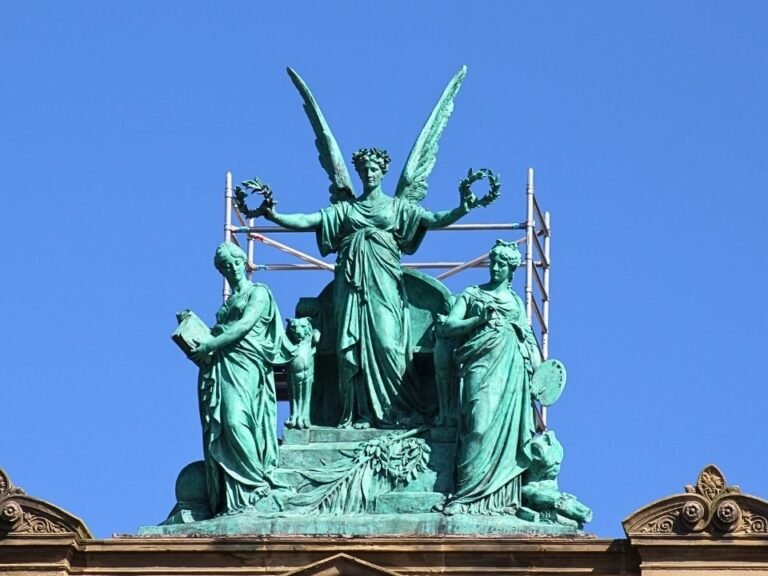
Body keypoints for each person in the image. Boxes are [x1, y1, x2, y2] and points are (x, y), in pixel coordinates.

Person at [263, 148, 478, 429]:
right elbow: (307, 220)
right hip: (351, 285)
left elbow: (434, 219)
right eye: (364, 170)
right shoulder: (346, 210)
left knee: (388, 344)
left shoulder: (397, 207)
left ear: (383, 172)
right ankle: (359, 414)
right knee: (350, 351)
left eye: (374, 169)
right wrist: (274, 215)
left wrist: (462, 208)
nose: (369, 174)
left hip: (385, 284)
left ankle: (396, 411)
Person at [190, 242, 294, 515]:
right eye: (225, 266)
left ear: (243, 263)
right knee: (224, 425)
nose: (232, 268)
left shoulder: (259, 292)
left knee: (236, 420)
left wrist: (211, 344)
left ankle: (256, 484)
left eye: (235, 262)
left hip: (247, 363)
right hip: (222, 365)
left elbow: (245, 325)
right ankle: (236, 496)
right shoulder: (229, 302)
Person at [439, 240, 541, 515]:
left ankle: (499, 499)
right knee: (478, 425)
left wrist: (539, 374)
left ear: (511, 270)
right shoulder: (472, 294)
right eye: (493, 263)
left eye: (501, 265)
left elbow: (528, 337)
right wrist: (478, 320)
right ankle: (465, 495)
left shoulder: (516, 302)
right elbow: (449, 326)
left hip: (512, 367)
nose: (495, 268)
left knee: (507, 434)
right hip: (480, 363)